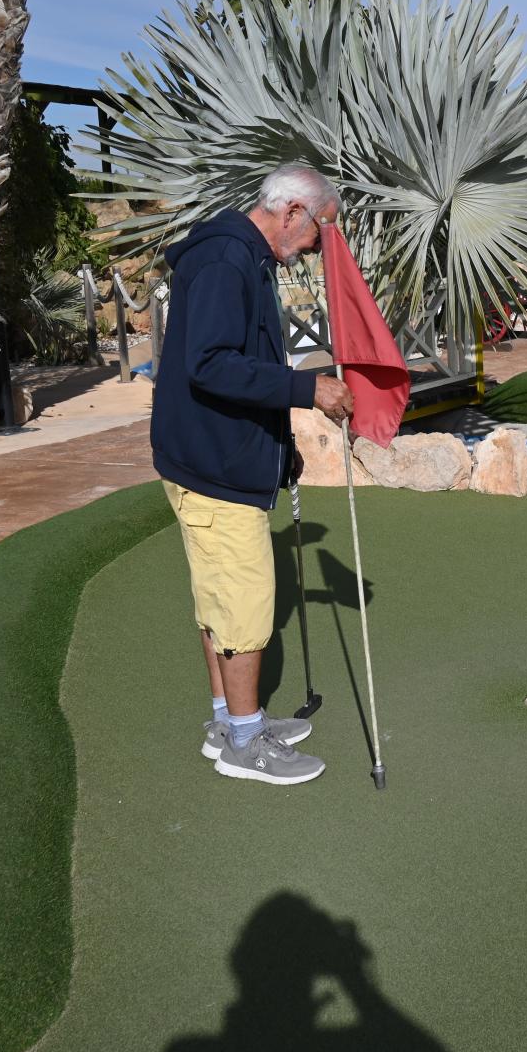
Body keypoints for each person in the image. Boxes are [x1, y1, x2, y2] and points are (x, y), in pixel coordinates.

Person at [151, 163, 355, 787]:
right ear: (292, 211)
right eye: (319, 230)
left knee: (219, 600)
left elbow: (245, 363)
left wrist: (277, 448)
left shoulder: (244, 257)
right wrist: (307, 389)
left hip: (217, 455)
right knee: (242, 607)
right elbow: (211, 365)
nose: (318, 246)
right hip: (213, 466)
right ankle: (244, 742)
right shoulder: (225, 261)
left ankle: (229, 720)